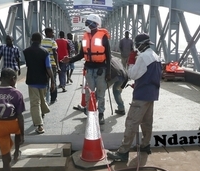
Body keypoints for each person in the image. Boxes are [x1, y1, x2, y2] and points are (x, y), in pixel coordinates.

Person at [107, 33, 162, 162]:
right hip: (152, 94)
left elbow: (132, 74)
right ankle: (145, 145)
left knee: (131, 122)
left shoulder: (142, 57)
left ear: (141, 45)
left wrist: (131, 62)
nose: (136, 47)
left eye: (137, 45)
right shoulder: (156, 56)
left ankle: (123, 152)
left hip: (141, 95)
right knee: (147, 122)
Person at [63, 14, 111, 125]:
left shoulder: (103, 36)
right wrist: (70, 60)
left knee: (101, 93)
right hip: (89, 69)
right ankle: (91, 112)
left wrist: (108, 72)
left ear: (95, 24)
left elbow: (108, 56)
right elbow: (81, 55)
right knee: (89, 93)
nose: (86, 25)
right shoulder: (85, 37)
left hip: (101, 69)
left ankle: (101, 114)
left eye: (88, 23)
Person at [23, 32, 55, 134]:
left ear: (31, 40)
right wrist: (53, 81)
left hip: (31, 80)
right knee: (41, 100)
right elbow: (48, 68)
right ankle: (39, 124)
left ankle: (39, 117)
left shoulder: (26, 51)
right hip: (43, 80)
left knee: (35, 102)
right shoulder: (45, 52)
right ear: (41, 40)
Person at [41, 27, 59, 104]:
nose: (53, 34)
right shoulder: (53, 42)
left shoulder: (41, 42)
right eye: (52, 32)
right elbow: (55, 53)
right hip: (52, 64)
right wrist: (58, 65)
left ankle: (45, 98)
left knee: (45, 82)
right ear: (48, 33)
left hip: (43, 65)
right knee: (53, 80)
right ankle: (53, 98)